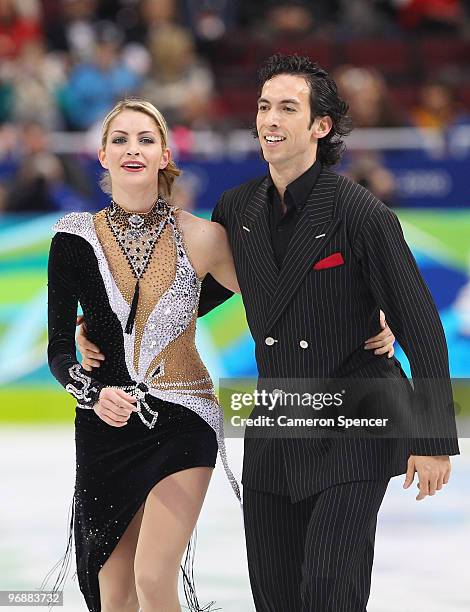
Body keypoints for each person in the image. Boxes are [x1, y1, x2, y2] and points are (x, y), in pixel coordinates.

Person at [75, 56, 439, 612]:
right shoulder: (238, 208)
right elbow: (191, 300)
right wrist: (105, 328)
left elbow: (419, 323)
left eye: (287, 107)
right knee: (274, 596)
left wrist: (433, 439)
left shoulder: (360, 214)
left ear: (321, 126)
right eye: (264, 105)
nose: (270, 118)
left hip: (358, 418)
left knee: (328, 591)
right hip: (277, 421)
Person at [47, 97, 242, 612]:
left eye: (146, 139)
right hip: (104, 427)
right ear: (103, 157)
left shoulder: (203, 237)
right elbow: (59, 350)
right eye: (120, 139)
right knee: (114, 594)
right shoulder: (72, 238)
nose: (133, 149)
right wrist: (90, 392)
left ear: (165, 156)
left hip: (184, 417)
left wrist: (370, 315)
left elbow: (279, 295)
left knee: (153, 578)